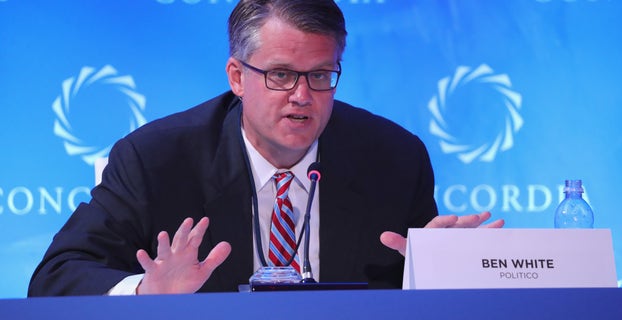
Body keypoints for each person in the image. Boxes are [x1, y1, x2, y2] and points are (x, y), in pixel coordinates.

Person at [28, 0, 503, 296]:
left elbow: (414, 297)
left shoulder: (394, 158)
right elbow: (55, 279)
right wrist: (145, 294)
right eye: (280, 75)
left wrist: (441, 268)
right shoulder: (155, 159)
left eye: (320, 75)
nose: (303, 95)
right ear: (237, 77)